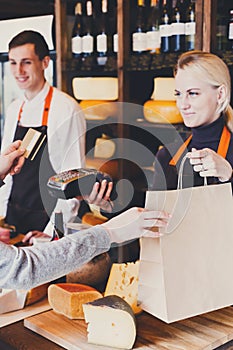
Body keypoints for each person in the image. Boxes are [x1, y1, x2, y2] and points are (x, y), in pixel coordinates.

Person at [0, 30, 85, 236]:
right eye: (12, 62)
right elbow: (7, 175)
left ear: (45, 62)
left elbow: (74, 180)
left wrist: (52, 232)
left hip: (46, 222)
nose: (18, 70)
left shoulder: (66, 109)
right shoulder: (14, 109)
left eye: (26, 62)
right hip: (11, 221)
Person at [152, 50, 233, 190]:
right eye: (178, 94)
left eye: (193, 93)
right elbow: (154, 211)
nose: (183, 105)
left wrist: (228, 175)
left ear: (220, 94)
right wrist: (111, 205)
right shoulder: (167, 156)